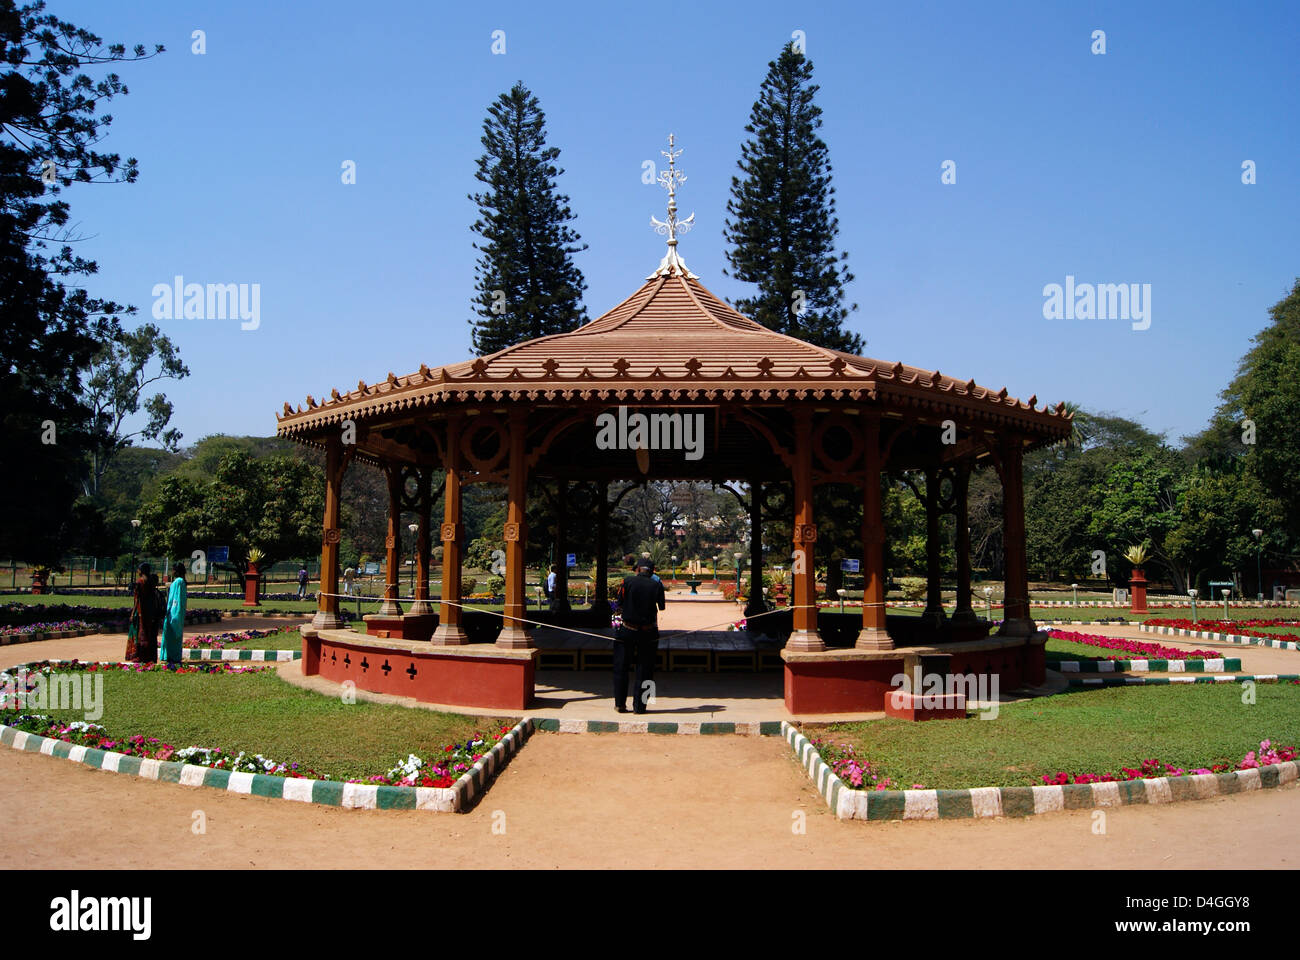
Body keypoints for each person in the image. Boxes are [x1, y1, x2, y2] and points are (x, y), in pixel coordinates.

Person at [613, 559, 666, 714]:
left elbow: (619, 602)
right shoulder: (656, 585)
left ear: (637, 570)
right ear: (652, 571)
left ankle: (620, 704)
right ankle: (641, 706)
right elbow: (661, 607)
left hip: (627, 629)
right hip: (648, 632)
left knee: (621, 667)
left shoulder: (627, 582)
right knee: (646, 669)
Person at [126, 563, 160, 662]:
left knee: (138, 633)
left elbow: (137, 599)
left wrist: (133, 613)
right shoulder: (151, 581)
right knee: (149, 634)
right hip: (151, 612)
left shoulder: (140, 582)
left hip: (141, 612)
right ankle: (150, 657)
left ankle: (139, 656)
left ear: (141, 571)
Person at [159, 561, 188, 670]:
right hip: (176, 612)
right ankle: (172, 655)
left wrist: (173, 612)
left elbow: (176, 599)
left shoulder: (178, 582)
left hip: (173, 612)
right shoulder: (181, 581)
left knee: (171, 635)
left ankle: (171, 656)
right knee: (175, 635)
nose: (172, 571)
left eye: (173, 569)